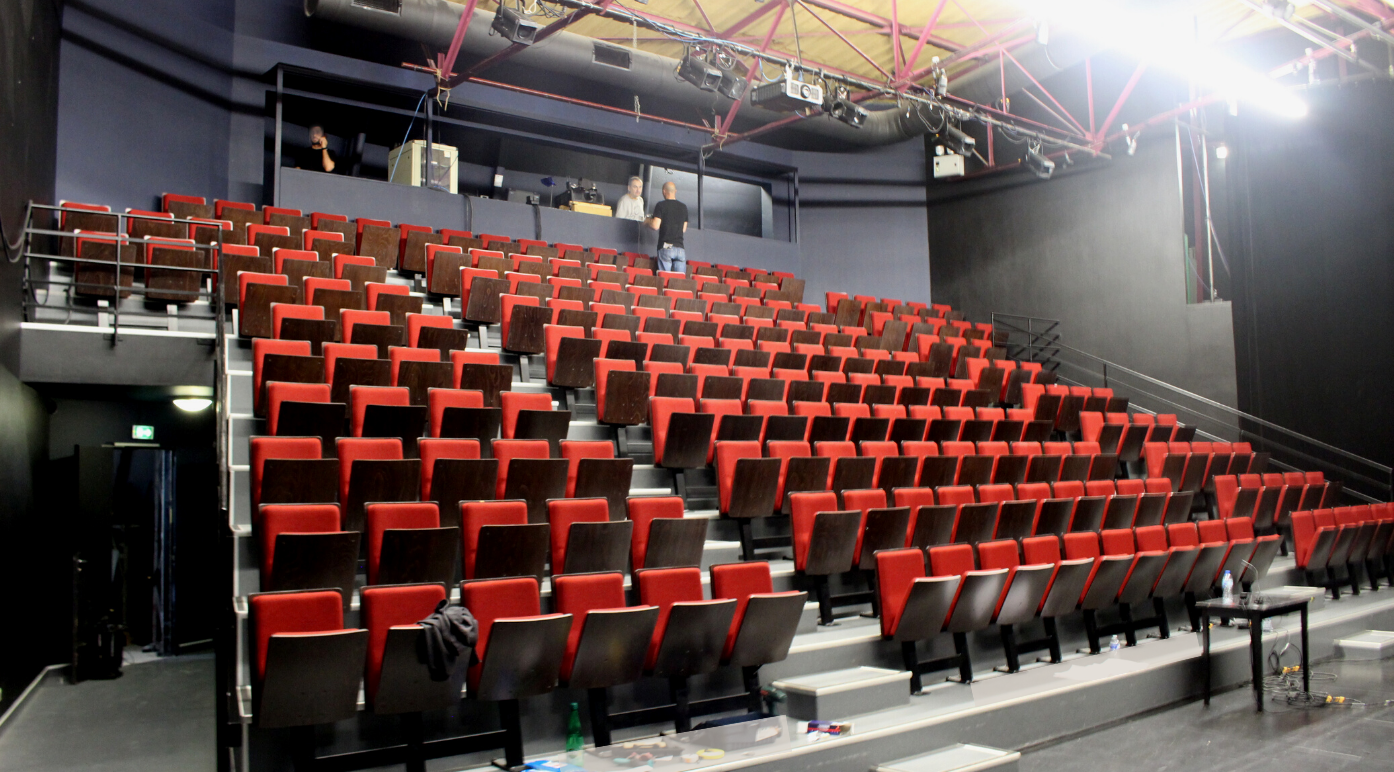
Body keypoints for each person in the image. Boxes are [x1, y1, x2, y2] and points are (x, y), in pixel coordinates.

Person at [647, 181, 688, 273]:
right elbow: (683, 229)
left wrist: (646, 222)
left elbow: (655, 226)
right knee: (679, 282)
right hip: (680, 249)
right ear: (675, 191)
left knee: (665, 279)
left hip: (666, 247)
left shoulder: (661, 205)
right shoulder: (683, 207)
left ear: (664, 191)